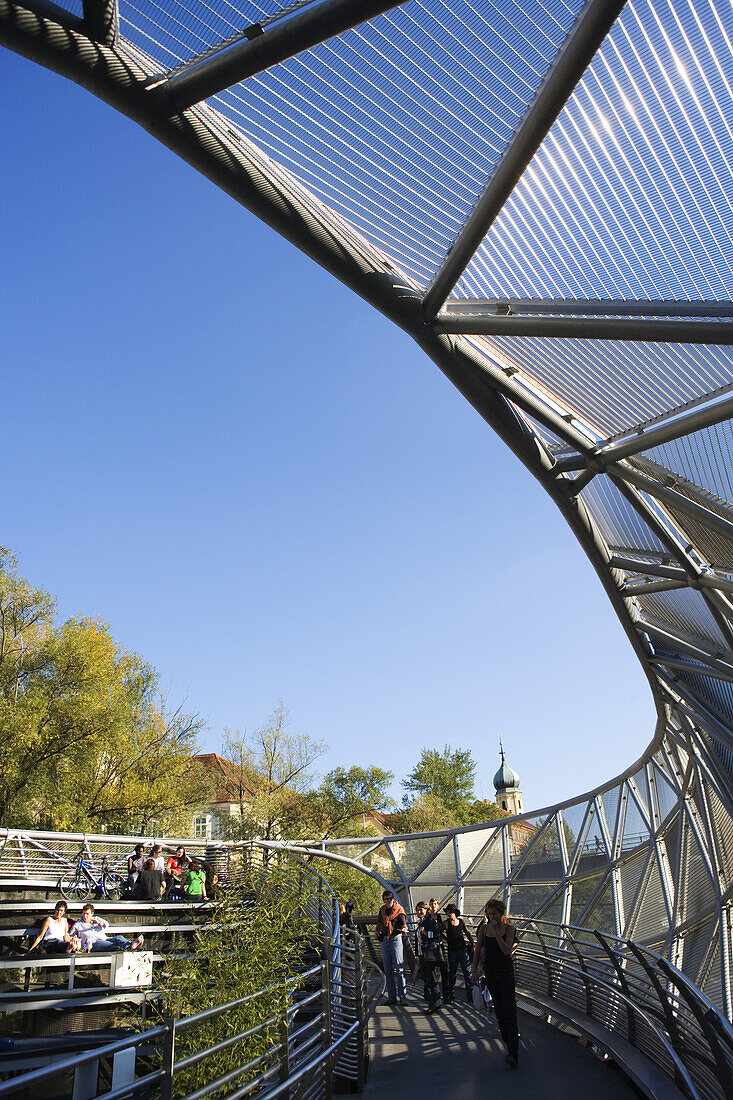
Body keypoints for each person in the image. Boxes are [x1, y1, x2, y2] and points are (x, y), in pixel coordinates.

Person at [472, 898, 519, 1069]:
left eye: (495, 914)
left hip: (506, 975)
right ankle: (508, 1041)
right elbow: (477, 950)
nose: (492, 917)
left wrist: (497, 932)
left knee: (510, 1012)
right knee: (499, 1010)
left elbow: (507, 950)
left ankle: (513, 1054)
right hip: (491, 975)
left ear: (501, 914)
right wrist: (474, 970)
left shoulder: (510, 930)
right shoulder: (483, 930)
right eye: (489, 914)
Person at [69, 904, 144, 952]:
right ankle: (130, 947)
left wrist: (99, 923)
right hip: (92, 944)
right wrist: (74, 939)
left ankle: (131, 945)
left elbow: (106, 924)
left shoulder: (97, 919)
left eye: (87, 914)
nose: (85, 916)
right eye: (84, 913)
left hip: (104, 938)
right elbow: (70, 936)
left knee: (119, 937)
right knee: (111, 945)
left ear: (92, 914)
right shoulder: (78, 924)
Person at [376, 889, 407, 1006]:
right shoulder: (382, 910)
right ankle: (392, 997)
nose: (389, 900)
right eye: (386, 899)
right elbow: (379, 922)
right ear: (384, 900)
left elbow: (404, 923)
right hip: (385, 940)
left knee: (399, 969)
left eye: (390, 898)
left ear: (393, 899)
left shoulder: (399, 910)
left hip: (395, 940)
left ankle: (402, 997)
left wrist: (404, 928)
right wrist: (376, 931)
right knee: (388, 971)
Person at [414, 901, 442, 1013]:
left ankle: (434, 1005)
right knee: (428, 980)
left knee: (432, 980)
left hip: (429, 954)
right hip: (422, 954)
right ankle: (433, 1004)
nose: (420, 912)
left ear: (426, 910)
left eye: (422, 909)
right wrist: (417, 955)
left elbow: (436, 935)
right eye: (418, 910)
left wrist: (425, 933)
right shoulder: (420, 922)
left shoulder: (429, 921)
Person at [443, 903, 474, 1004]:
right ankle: (450, 995)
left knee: (468, 973)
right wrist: (446, 939)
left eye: (451, 912)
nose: (449, 913)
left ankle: (471, 995)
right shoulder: (446, 923)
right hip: (453, 951)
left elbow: (467, 932)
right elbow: (439, 932)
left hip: (462, 950)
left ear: (455, 913)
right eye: (448, 912)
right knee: (452, 973)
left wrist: (472, 943)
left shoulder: (460, 922)